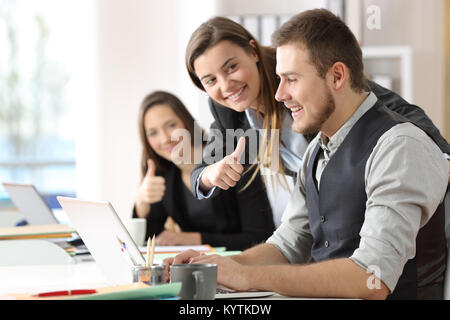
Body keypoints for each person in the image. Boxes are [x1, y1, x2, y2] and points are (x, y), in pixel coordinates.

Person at [166, 9, 449, 300]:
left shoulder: (397, 143)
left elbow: (371, 276)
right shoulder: (317, 150)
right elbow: (288, 245)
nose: (279, 94)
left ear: (337, 75)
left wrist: (247, 276)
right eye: (210, 80)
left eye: (291, 79)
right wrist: (211, 268)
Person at [186, 16, 450, 202]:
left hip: (376, 190)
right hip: (332, 207)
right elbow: (200, 176)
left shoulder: (293, 70)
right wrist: (211, 175)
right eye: (210, 80)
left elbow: (380, 104)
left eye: (231, 67)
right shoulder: (228, 111)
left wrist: (440, 156)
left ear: (252, 51)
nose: (226, 85)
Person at [132, 91, 274, 251]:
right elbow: (150, 240)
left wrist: (194, 239)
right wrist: (142, 202)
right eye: (153, 133)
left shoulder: (231, 158)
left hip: (245, 265)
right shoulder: (164, 174)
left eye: (171, 125)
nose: (164, 138)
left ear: (186, 122)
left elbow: (260, 237)